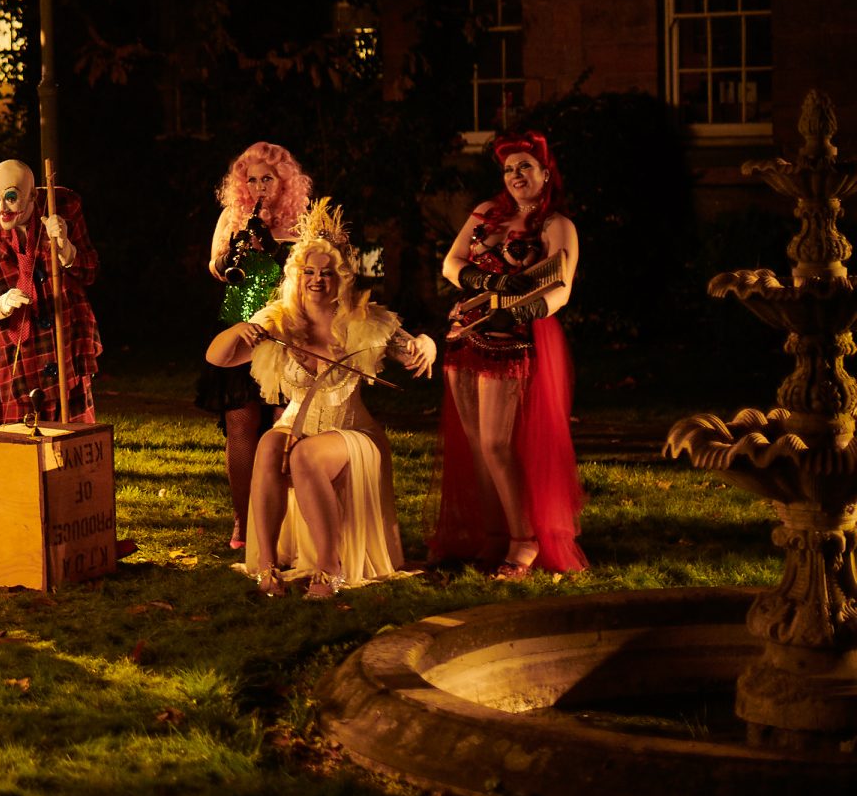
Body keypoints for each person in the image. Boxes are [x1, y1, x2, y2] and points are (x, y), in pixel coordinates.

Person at [206, 198, 436, 599]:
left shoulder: (363, 321)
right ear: (297, 275)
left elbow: (411, 347)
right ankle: (268, 565)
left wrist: (428, 345)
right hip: (295, 425)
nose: (317, 280)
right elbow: (218, 356)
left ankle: (329, 569)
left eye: (327, 273)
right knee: (268, 444)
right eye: (309, 272)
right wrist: (240, 330)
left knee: (305, 455)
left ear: (341, 278)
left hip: (352, 434)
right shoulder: (277, 318)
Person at [430, 131, 587, 578]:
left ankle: (525, 538)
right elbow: (452, 263)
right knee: (477, 444)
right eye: (509, 169)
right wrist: (487, 283)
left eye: (525, 166)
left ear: (544, 172)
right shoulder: (485, 214)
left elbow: (561, 286)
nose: (516, 175)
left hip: (512, 337)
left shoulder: (557, 226)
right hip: (466, 329)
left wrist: (530, 307)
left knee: (499, 443)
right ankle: (494, 533)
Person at [197, 141, 313, 550]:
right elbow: (215, 266)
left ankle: (283, 524)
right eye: (253, 179)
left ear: (285, 181)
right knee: (241, 426)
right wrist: (235, 250)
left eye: (269, 178)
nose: (261, 187)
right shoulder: (233, 216)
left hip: (284, 336)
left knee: (284, 425)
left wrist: (276, 250)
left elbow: (313, 277)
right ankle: (244, 521)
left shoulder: (302, 220)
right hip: (238, 331)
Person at [0, 160, 102, 429]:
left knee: (67, 447)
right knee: (10, 453)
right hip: (3, 359)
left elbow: (90, 271)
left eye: (11, 198)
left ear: (33, 194)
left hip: (60, 344)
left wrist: (67, 250)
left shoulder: (64, 207)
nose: (1, 207)